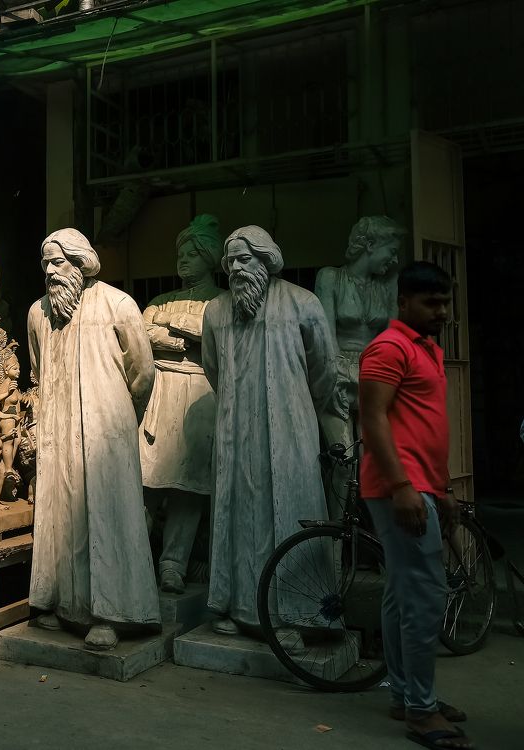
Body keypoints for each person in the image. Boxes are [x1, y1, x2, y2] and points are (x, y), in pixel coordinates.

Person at [201, 225, 336, 645]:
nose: (237, 268)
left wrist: (295, 409)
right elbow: (213, 369)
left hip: (290, 429)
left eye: (246, 259)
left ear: (267, 260)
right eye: (231, 262)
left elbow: (325, 371)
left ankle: (297, 615)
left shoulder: (303, 303)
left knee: (291, 511)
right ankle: (239, 608)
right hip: (236, 431)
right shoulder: (216, 312)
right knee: (239, 516)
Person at [27, 227, 159, 651]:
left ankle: (111, 613)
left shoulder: (118, 304)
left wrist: (119, 415)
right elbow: (37, 369)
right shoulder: (37, 313)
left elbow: (142, 372)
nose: (50, 270)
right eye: (46, 262)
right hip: (59, 427)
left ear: (81, 262)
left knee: (108, 512)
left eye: (58, 261)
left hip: (107, 426)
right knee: (62, 511)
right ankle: (59, 602)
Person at [359, 262, 473, 750]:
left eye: (445, 302)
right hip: (399, 489)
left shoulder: (427, 348)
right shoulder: (388, 347)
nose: (442, 311)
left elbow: (426, 426)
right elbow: (373, 419)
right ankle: (421, 712)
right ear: (403, 302)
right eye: (431, 302)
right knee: (425, 596)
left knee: (401, 593)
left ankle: (407, 696)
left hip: (422, 486)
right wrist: (404, 486)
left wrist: (441, 489)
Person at [139, 214, 222, 593]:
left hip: (202, 394)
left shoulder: (223, 302)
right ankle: (137, 556)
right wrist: (182, 339)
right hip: (160, 390)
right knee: (148, 479)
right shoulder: (160, 300)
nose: (183, 259)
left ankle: (174, 563)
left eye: (192, 252)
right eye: (181, 253)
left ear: (210, 255)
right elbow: (143, 333)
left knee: (190, 485)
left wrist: (167, 331)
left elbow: (216, 334)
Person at [315, 216, 402, 516]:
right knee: (343, 467)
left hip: (373, 379)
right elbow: (325, 340)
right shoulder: (329, 278)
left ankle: (378, 551)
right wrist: (335, 380)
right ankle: (335, 554)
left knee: (376, 465)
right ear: (369, 245)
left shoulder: (388, 283)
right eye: (390, 250)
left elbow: (392, 339)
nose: (394, 259)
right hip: (338, 378)